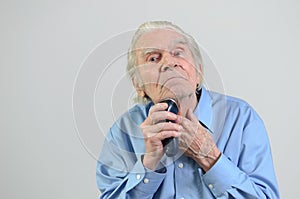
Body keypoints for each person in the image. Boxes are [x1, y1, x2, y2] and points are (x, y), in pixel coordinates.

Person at [96, 21, 280, 198]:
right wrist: (149, 164)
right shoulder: (123, 131)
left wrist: (210, 157)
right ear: (139, 85)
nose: (169, 63)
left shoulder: (242, 118)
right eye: (153, 58)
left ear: (198, 72)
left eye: (178, 53)